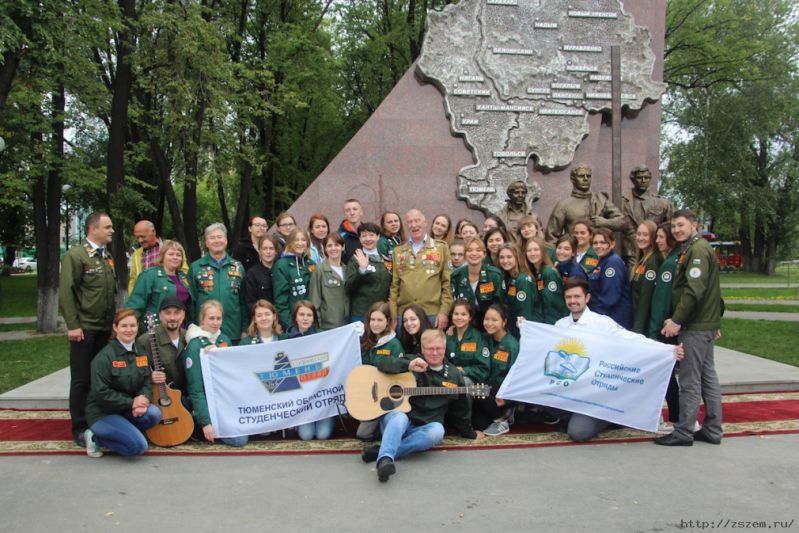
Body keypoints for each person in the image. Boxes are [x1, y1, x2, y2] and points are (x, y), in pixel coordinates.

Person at [554, 277, 683, 442]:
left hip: (596, 394)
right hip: (571, 390)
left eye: (577, 296)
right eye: (569, 297)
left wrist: (667, 350)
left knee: (578, 433)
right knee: (535, 397)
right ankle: (577, 416)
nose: (572, 301)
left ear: (587, 298)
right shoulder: (560, 325)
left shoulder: (601, 323)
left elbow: (631, 339)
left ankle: (612, 416)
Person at [361, 329, 484, 482]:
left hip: (423, 428)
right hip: (398, 423)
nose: (435, 353)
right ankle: (384, 460)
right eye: (430, 349)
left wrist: (470, 433)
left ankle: (383, 453)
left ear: (445, 348)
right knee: (400, 418)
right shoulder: (413, 361)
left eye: (439, 348)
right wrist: (407, 365)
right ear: (422, 349)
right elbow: (383, 364)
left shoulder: (454, 375)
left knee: (437, 431)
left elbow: (461, 410)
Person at [656, 209, 723, 447]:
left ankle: (684, 431)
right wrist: (714, 321)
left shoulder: (697, 251)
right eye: (674, 226)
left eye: (681, 225)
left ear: (694, 225)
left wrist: (676, 320)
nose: (676, 230)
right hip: (703, 323)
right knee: (707, 376)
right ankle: (713, 429)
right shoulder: (695, 248)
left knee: (690, 379)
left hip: (695, 325)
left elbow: (694, 290)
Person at [59, 211, 117, 446]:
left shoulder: (106, 256)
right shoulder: (76, 255)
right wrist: (73, 325)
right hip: (85, 328)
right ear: (93, 229)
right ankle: (80, 427)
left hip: (103, 328)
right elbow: (66, 292)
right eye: (108, 227)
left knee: (99, 377)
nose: (112, 231)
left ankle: (97, 418)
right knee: (81, 379)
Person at [83, 309, 161, 457]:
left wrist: (144, 399)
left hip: (127, 410)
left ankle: (126, 432)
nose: (129, 330)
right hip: (103, 413)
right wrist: (132, 403)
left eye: (132, 325)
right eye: (124, 326)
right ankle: (94, 438)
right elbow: (101, 393)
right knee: (138, 447)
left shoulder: (140, 351)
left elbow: (146, 380)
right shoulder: (105, 357)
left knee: (153, 414)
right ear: (115, 327)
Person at [183, 300, 248, 447]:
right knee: (240, 440)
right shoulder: (195, 345)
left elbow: (233, 374)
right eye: (211, 318)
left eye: (219, 318)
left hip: (224, 400)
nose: (215, 322)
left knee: (251, 427)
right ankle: (199, 427)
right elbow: (195, 388)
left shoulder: (224, 339)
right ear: (202, 319)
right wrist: (205, 422)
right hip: (207, 402)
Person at [388, 209, 453, 330]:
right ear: (406, 225)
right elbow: (394, 286)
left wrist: (444, 312)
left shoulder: (441, 248)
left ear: (425, 222)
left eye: (417, 221)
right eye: (410, 222)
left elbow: (447, 283)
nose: (414, 225)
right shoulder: (398, 251)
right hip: (404, 315)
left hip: (431, 314)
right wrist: (393, 315)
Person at [283, 301, 336, 441]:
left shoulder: (324, 337)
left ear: (314, 318)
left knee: (322, 435)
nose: (305, 318)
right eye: (302, 314)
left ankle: (330, 417)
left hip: (321, 394)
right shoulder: (285, 339)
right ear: (295, 317)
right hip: (300, 397)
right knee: (306, 436)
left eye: (309, 315)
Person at [188, 223, 246, 342]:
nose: (216, 241)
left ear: (226, 240)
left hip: (233, 331)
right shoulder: (196, 267)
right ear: (206, 242)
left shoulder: (238, 267)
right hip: (204, 332)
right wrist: (192, 327)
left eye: (220, 237)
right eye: (212, 238)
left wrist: (245, 328)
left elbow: (244, 300)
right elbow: (191, 302)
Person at [648, 222, 681, 430]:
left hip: (663, 329)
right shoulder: (674, 258)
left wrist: (653, 332)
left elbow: (661, 301)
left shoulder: (669, 264)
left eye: (661, 237)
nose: (657, 241)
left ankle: (676, 416)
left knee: (667, 375)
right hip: (670, 326)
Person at [357, 302, 405, 440]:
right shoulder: (364, 341)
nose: (375, 324)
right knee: (362, 434)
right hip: (367, 395)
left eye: (380, 320)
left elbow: (400, 376)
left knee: (371, 434)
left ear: (388, 321)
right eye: (372, 320)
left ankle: (386, 423)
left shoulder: (394, 344)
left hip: (386, 397)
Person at [545, 163, 625, 243]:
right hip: (575, 248)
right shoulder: (564, 205)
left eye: (588, 176)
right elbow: (551, 237)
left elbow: (622, 221)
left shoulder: (601, 200)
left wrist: (604, 222)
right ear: (572, 178)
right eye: (581, 176)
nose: (585, 179)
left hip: (598, 248)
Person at [474, 304, 519, 436]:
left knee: (479, 388)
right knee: (478, 424)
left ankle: (502, 421)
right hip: (488, 392)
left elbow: (516, 377)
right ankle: (500, 415)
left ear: (504, 322)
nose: (489, 323)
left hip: (504, 392)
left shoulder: (511, 345)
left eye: (494, 320)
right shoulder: (484, 338)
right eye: (486, 319)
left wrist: (507, 399)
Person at [126, 240, 191, 327]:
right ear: (162, 256)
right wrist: (129, 325)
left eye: (178, 255)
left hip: (181, 328)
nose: (175, 257)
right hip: (156, 328)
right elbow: (135, 305)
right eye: (171, 254)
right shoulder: (149, 275)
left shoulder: (184, 278)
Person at [621, 165, 675, 269]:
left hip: (655, 253)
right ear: (632, 179)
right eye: (639, 178)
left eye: (646, 178)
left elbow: (672, 228)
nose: (643, 180)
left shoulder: (662, 203)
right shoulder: (621, 201)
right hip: (629, 255)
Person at [137, 296, 188, 396]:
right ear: (160, 316)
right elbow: (134, 372)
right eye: (168, 313)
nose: (172, 318)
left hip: (187, 397)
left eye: (177, 313)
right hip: (161, 397)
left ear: (183, 315)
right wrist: (150, 376)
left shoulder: (189, 338)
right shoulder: (145, 341)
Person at [450, 238, 504, 326]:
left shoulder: (494, 275)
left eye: (478, 250)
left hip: (491, 322)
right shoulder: (456, 276)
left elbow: (500, 304)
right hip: (465, 322)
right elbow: (454, 303)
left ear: (484, 254)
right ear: (465, 255)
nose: (474, 253)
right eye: (469, 250)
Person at [587, 227, 633, 329]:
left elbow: (609, 297)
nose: (598, 246)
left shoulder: (613, 263)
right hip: (605, 318)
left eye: (603, 242)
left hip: (613, 319)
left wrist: (595, 318)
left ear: (612, 244)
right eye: (595, 243)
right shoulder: (603, 260)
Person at [345, 223, 392, 323]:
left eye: (371, 235)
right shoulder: (355, 260)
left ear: (378, 237)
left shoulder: (386, 260)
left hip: (381, 312)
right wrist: (362, 270)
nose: (368, 239)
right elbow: (348, 287)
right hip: (361, 313)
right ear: (359, 239)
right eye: (364, 236)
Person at [272, 228, 316, 329]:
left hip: (311, 322)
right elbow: (281, 301)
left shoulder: (311, 264)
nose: (300, 243)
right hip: (293, 323)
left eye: (303, 240)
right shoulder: (282, 265)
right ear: (290, 242)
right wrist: (290, 325)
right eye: (296, 240)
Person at [128, 220, 187, 293]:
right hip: (145, 297)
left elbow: (184, 272)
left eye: (143, 236)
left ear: (153, 232)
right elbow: (133, 280)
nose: (140, 240)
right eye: (137, 237)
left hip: (169, 295)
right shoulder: (136, 254)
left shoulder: (172, 247)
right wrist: (132, 298)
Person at [520, 237, 569, 325]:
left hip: (554, 323)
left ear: (542, 252)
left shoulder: (548, 272)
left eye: (536, 250)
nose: (532, 253)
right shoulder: (536, 273)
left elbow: (553, 304)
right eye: (529, 250)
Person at [309, 233, 350, 330]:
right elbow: (314, 300)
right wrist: (317, 326)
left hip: (346, 323)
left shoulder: (347, 269)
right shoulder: (320, 269)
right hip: (327, 325)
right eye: (329, 246)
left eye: (337, 245)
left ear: (343, 247)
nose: (333, 248)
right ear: (325, 249)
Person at [445, 299, 490, 385]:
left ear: (470, 317)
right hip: (448, 377)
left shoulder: (478, 338)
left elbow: (483, 369)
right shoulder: (448, 336)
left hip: (469, 379)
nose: (459, 317)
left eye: (463, 314)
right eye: (456, 314)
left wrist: (464, 370)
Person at [496, 244, 535, 337]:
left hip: (523, 332)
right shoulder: (510, 278)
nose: (505, 261)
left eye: (509, 257)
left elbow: (524, 313)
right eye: (502, 257)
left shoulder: (522, 280)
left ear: (517, 258)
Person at [630, 220, 662, 335]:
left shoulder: (652, 261)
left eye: (645, 235)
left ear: (653, 237)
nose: (641, 238)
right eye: (639, 234)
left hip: (644, 326)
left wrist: (637, 329)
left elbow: (645, 297)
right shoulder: (643, 260)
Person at [242, 234, 279, 314]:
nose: (268, 252)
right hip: (262, 317)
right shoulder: (252, 274)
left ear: (276, 251)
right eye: (265, 249)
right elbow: (250, 302)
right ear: (259, 251)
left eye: (271, 248)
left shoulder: (281, 270)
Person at [339, 198, 364, 263]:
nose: (352, 213)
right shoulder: (339, 236)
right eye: (348, 210)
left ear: (361, 212)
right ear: (345, 213)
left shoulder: (369, 233)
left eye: (355, 209)